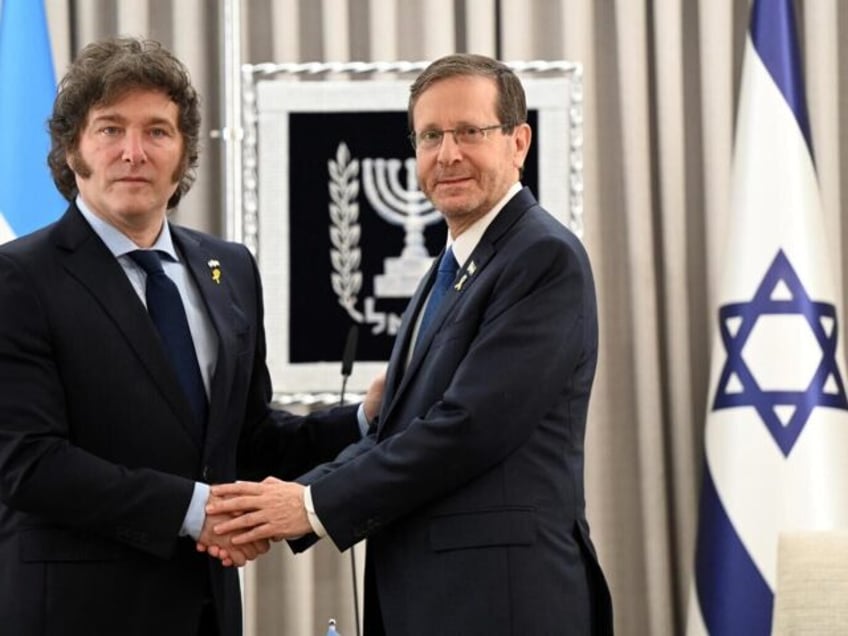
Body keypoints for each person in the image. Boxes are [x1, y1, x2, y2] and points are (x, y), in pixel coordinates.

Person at [208, 53, 614, 635]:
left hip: (504, 604)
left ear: (518, 142)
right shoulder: (447, 269)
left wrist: (307, 506)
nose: (447, 154)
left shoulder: (542, 257)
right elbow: (401, 433)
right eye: (429, 136)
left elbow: (465, 428)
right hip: (434, 602)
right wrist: (292, 500)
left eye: (470, 132)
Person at [0, 37, 379, 636]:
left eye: (157, 131)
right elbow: (26, 462)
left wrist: (361, 419)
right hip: (75, 612)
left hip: (208, 609)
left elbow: (246, 439)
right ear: (74, 150)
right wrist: (194, 510)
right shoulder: (18, 277)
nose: (134, 152)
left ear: (182, 156)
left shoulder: (229, 269)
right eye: (109, 129)